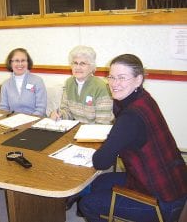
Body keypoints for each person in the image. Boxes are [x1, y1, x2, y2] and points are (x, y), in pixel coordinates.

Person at [78, 54, 187, 221]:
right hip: (175, 182)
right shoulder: (144, 98)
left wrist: (112, 140)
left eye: (122, 78)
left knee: (87, 203)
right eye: (112, 77)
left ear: (138, 79)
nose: (114, 84)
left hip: (164, 202)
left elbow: (101, 162)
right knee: (98, 183)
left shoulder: (131, 117)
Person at [50, 45, 113, 124]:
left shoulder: (101, 86)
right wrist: (60, 115)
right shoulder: (69, 83)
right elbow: (67, 111)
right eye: (75, 63)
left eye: (82, 64)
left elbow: (103, 122)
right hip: (75, 129)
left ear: (91, 67)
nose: (78, 67)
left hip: (95, 132)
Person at [0, 48, 47, 116]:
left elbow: (41, 109)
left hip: (35, 121)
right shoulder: (6, 85)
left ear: (28, 62)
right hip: (13, 122)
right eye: (16, 61)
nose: (20, 64)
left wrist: (29, 121)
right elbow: (3, 108)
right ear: (10, 63)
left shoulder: (37, 81)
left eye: (23, 60)